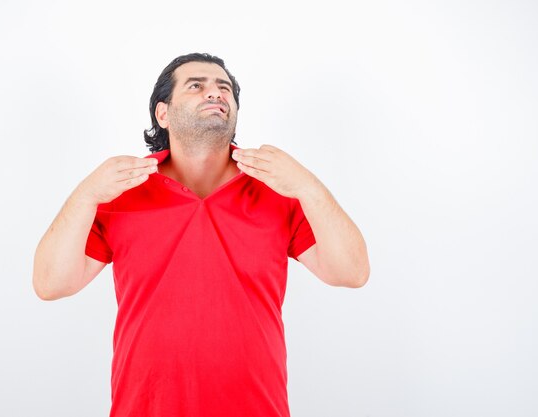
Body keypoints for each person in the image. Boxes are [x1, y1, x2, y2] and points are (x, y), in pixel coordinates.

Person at [33, 52, 370, 417]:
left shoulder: (279, 189)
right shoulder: (121, 190)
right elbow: (51, 284)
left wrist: (309, 186)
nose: (216, 93)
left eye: (224, 88)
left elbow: (352, 273)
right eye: (197, 86)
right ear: (163, 113)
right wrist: (85, 194)